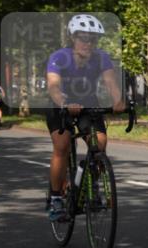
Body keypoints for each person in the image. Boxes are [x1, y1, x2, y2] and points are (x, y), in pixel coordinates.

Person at [45, 14, 125, 222]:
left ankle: (90, 183)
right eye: (83, 38)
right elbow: (53, 86)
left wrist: (118, 100)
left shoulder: (102, 58)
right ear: (73, 38)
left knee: (99, 144)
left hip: (88, 104)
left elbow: (111, 82)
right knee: (62, 145)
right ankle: (55, 199)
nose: (87, 43)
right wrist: (64, 102)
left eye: (92, 39)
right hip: (60, 105)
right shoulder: (59, 57)